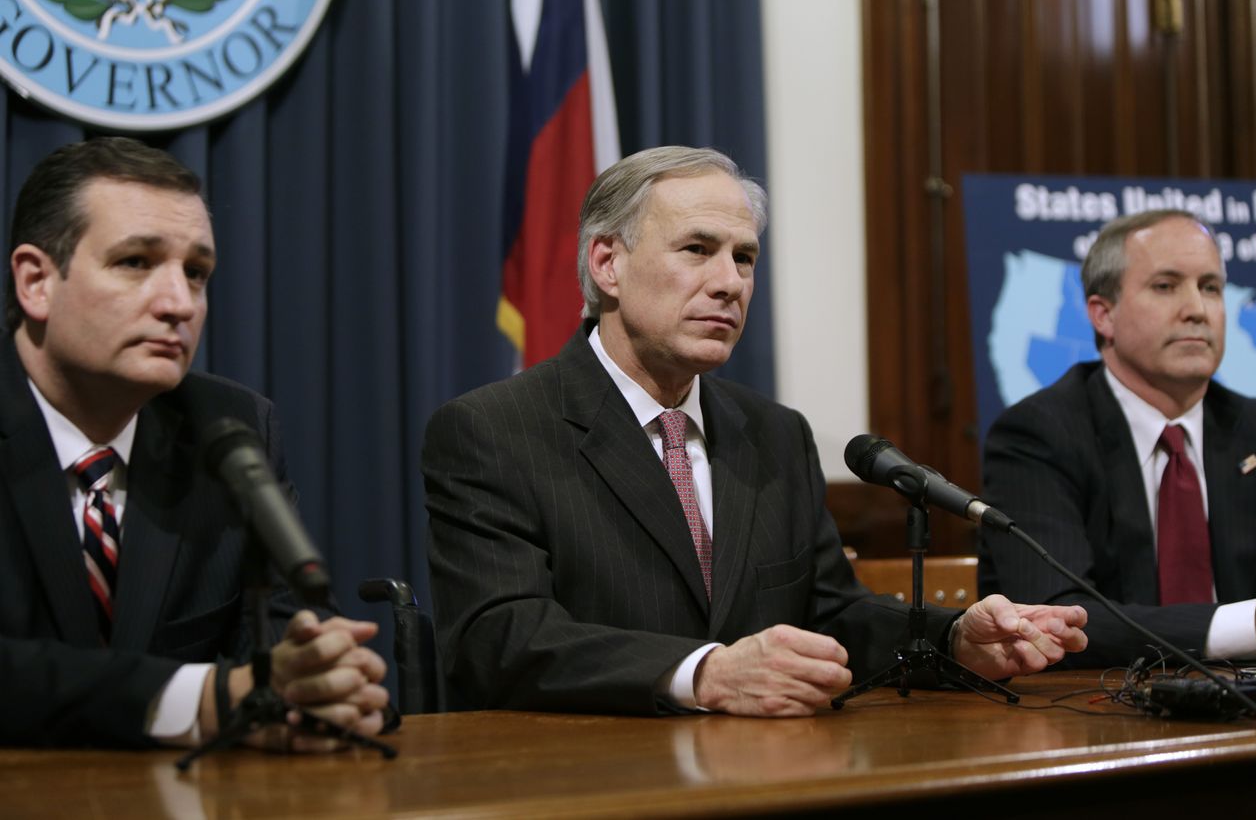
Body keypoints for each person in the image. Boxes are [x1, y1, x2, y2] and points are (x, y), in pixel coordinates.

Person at [423, 145, 1087, 716]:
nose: (729, 282)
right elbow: (499, 637)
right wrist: (705, 673)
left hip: (769, 776)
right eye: (697, 250)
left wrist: (950, 641)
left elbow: (828, 613)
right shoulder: (494, 430)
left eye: (744, 257)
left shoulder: (774, 433)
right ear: (607, 263)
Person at [0, 137, 387, 748]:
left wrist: (320, 685)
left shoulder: (229, 428)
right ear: (36, 281)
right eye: (135, 262)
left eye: (197, 273)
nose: (179, 303)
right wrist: (207, 700)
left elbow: (286, 636)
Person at [979, 209, 1256, 667]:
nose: (1196, 309)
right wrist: (1253, 626)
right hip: (1091, 712)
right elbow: (1054, 622)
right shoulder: (1037, 435)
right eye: (1165, 286)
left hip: (1249, 706)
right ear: (1103, 315)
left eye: (1211, 287)